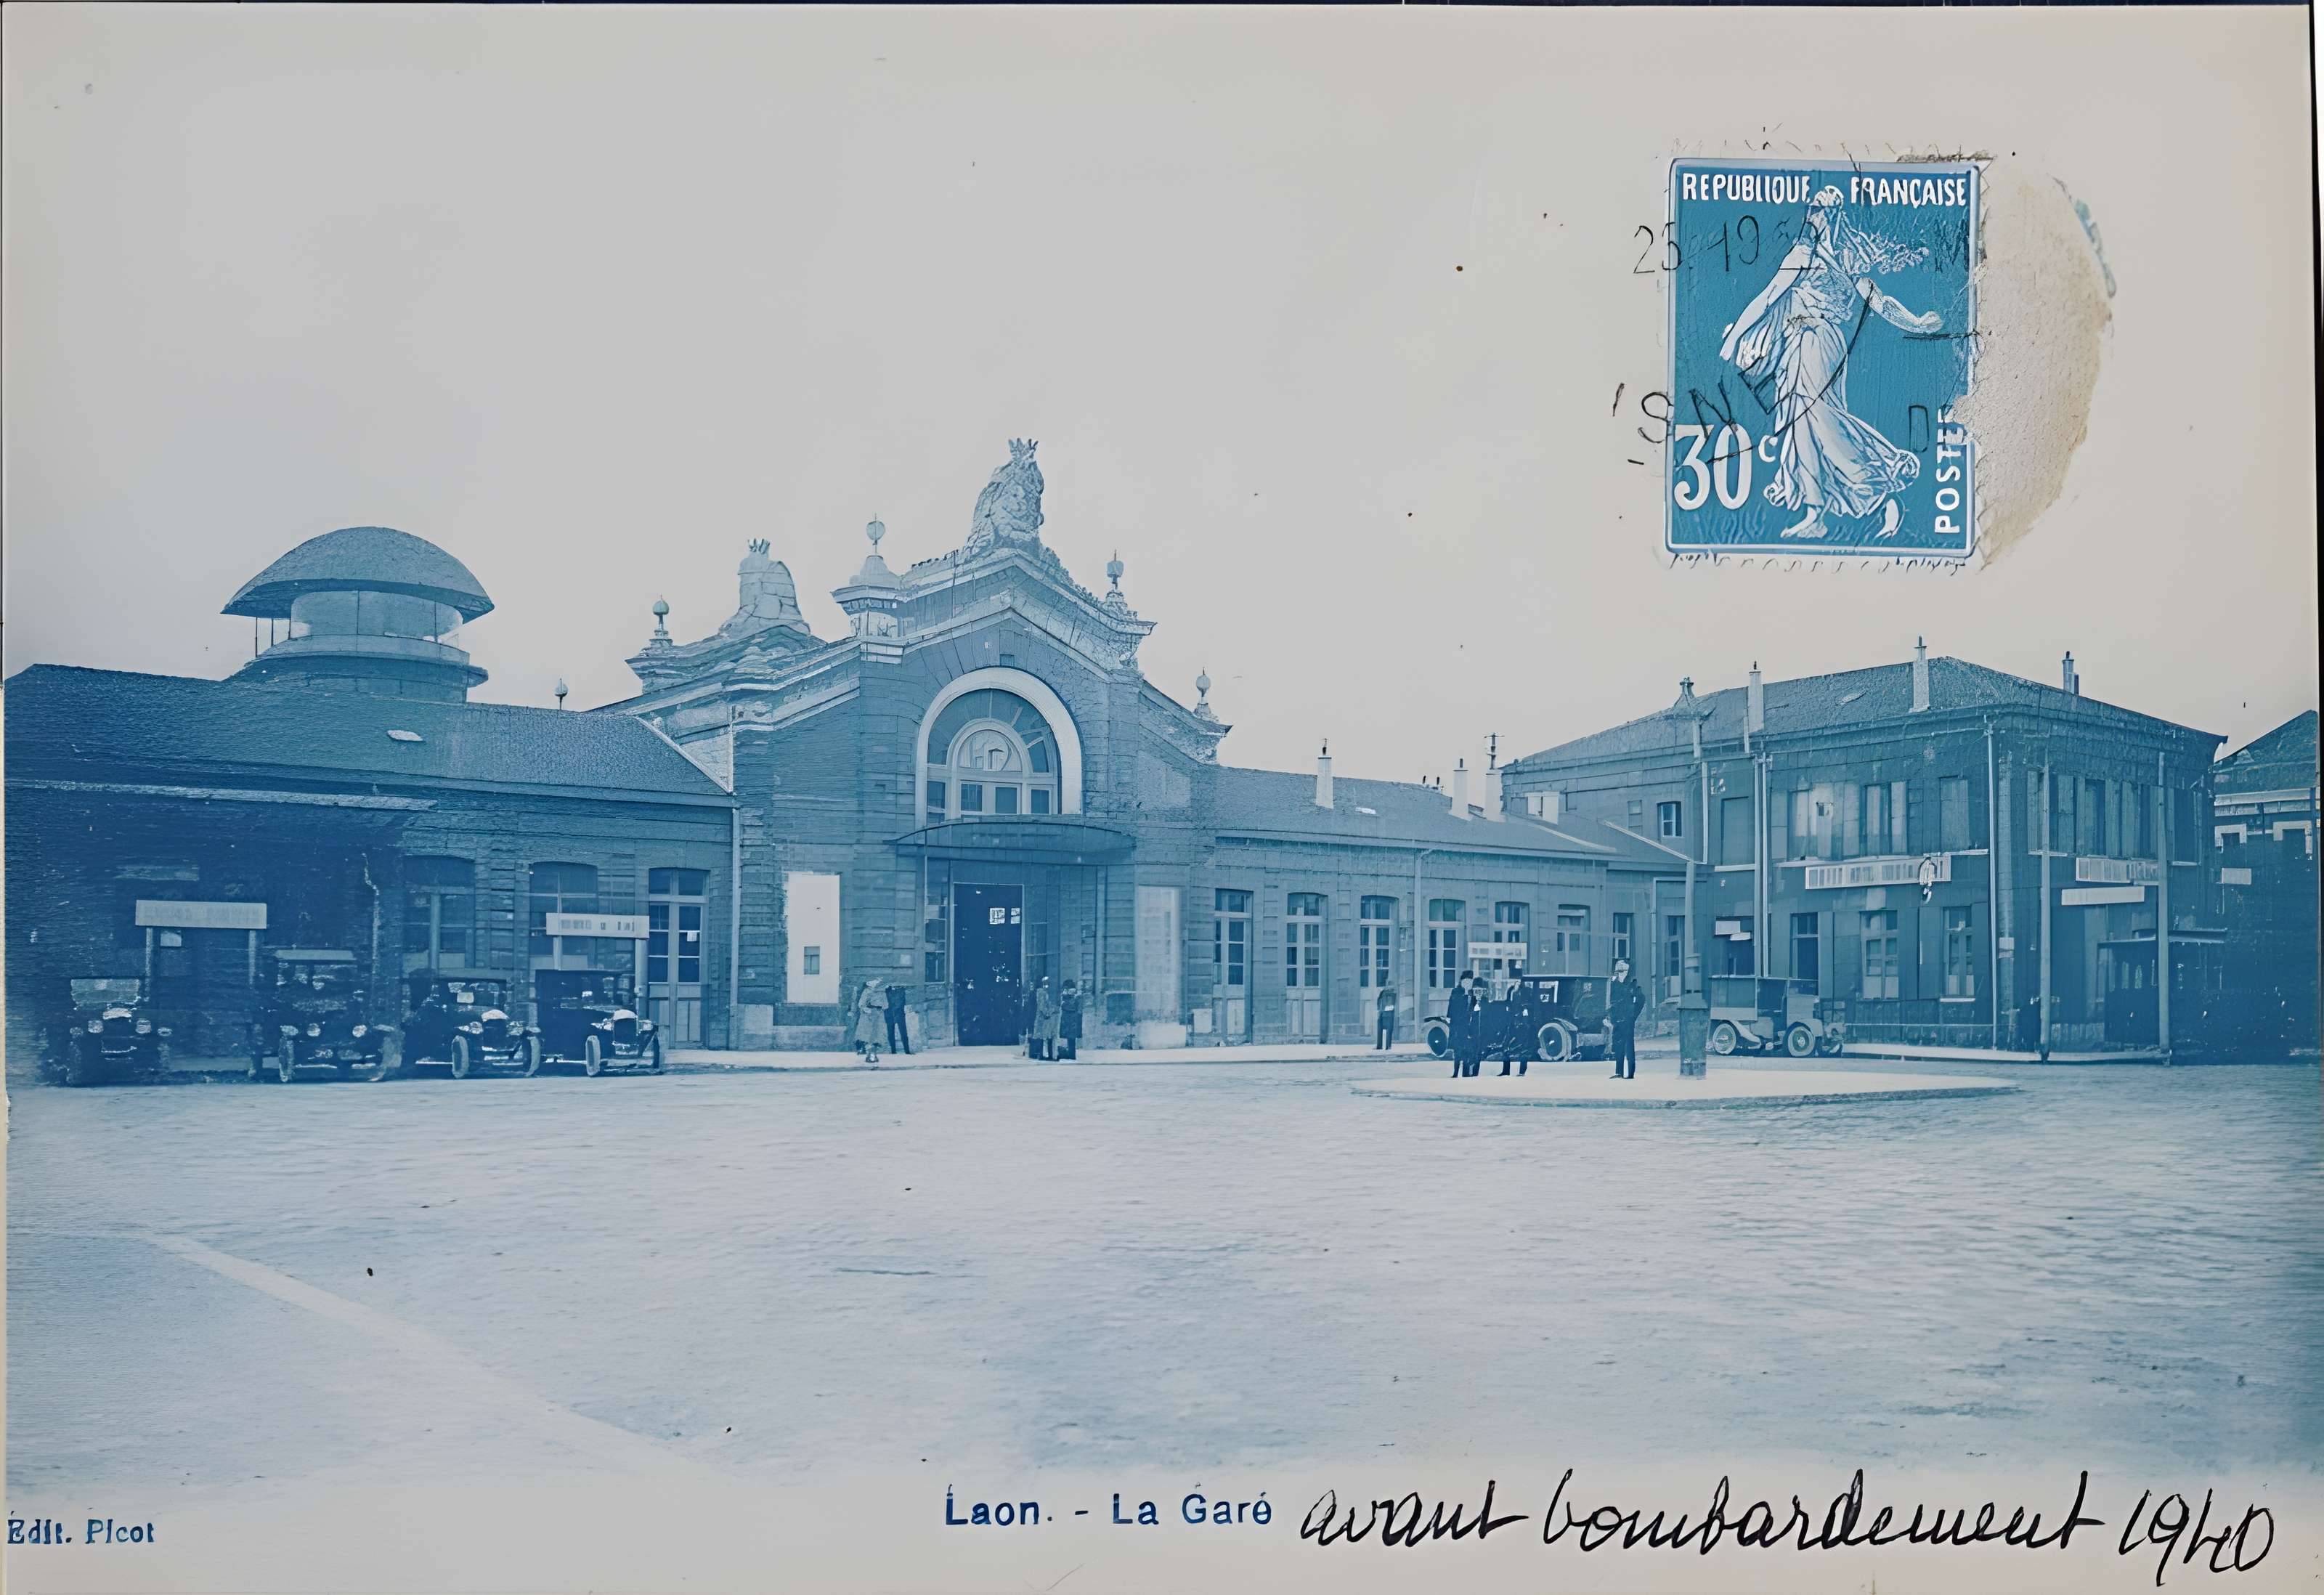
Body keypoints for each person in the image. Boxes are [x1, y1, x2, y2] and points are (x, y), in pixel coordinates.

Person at [1718, 186, 1941, 541]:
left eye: (1820, 210)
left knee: (1817, 417)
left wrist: (1915, 323)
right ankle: (1830, 507)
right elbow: (1769, 298)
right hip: (1805, 342)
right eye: (1813, 209)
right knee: (1802, 421)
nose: (1814, 216)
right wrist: (1735, 337)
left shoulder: (1833, 256)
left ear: (1833, 214)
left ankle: (1872, 483)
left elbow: (1877, 300)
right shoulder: (1805, 253)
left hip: (1817, 341)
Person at [1607, 959, 1646, 1080]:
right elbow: (1610, 1001)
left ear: (1627, 972)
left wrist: (1633, 1015)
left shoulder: (1632, 985)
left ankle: (1630, 1074)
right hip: (1617, 1020)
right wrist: (1612, 1016)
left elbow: (1641, 1000)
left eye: (1622, 971)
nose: (1619, 974)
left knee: (1629, 1047)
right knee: (1619, 1046)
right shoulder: (1614, 985)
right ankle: (1619, 1072)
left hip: (1628, 1020)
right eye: (1618, 971)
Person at [1447, 972, 1480, 1079]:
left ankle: (1466, 1073)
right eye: (1465, 981)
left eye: (1469, 981)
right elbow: (1453, 1009)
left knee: (1468, 1050)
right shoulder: (1456, 992)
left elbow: (1476, 1010)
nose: (1467, 983)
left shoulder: (1473, 994)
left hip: (1469, 1027)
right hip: (1458, 1026)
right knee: (1458, 1050)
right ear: (1461, 981)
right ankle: (1456, 1072)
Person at [853, 979, 887, 1063]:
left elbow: (886, 1005)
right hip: (868, 1018)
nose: (877, 983)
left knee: (876, 1037)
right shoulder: (866, 992)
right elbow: (861, 1004)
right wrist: (867, 1009)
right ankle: (869, 1056)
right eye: (875, 981)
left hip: (878, 1017)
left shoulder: (881, 992)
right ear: (869, 983)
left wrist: (880, 1007)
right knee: (868, 1037)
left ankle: (873, 1055)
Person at [1032, 978, 1060, 1061]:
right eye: (1045, 984)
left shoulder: (1037, 992)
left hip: (1039, 1017)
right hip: (1043, 1018)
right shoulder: (1042, 993)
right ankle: (1045, 1055)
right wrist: (1048, 1013)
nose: (1047, 986)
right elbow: (1042, 1006)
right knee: (1048, 1035)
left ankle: (1041, 1055)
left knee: (1042, 1036)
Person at [1057, 978, 1084, 1061]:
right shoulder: (1070, 997)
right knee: (1070, 1039)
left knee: (1071, 1039)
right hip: (1070, 1022)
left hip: (1072, 1022)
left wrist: (1064, 1004)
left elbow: (1073, 1008)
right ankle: (1070, 1054)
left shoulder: (1075, 997)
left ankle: (1071, 1055)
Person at [884, 979, 912, 1055]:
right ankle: (893, 1051)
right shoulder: (887, 991)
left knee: (903, 1033)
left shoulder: (901, 991)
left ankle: (907, 1051)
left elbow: (901, 1002)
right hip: (890, 1015)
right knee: (891, 1033)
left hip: (899, 1014)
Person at [1375, 986, 1398, 1051]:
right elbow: (1379, 1003)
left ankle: (1388, 1046)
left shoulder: (1391, 993)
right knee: (1380, 1031)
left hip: (1388, 1014)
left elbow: (1391, 1004)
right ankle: (1380, 1046)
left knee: (1389, 1030)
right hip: (1382, 1013)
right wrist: (1379, 1011)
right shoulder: (1382, 994)